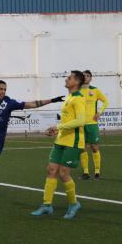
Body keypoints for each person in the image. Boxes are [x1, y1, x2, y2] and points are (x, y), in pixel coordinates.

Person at [31, 70, 86, 219]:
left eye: (69, 78)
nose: (66, 79)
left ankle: (74, 204)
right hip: (61, 139)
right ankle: (46, 205)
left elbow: (81, 121)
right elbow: (67, 121)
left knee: (63, 173)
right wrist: (56, 130)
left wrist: (59, 127)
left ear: (76, 82)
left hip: (73, 141)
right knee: (51, 170)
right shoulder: (69, 98)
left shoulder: (79, 99)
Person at [79, 70, 109, 180]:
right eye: (83, 76)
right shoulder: (76, 91)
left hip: (92, 123)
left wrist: (99, 112)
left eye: (87, 76)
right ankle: (86, 172)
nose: (85, 77)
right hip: (80, 124)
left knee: (94, 147)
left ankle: (97, 171)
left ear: (91, 78)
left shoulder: (95, 90)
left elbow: (105, 101)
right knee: (82, 148)